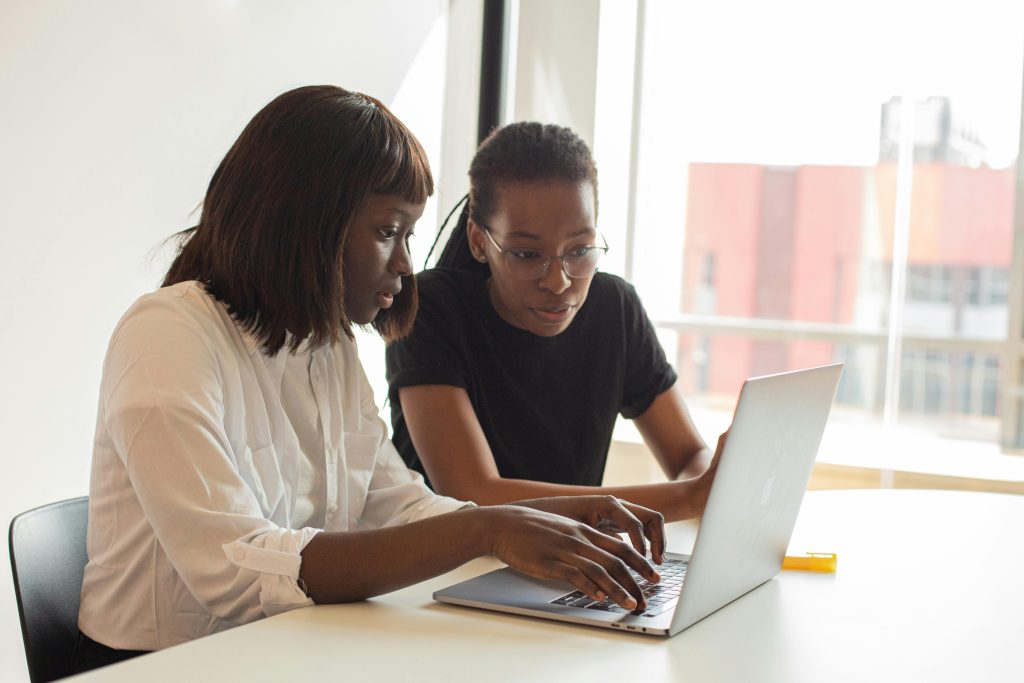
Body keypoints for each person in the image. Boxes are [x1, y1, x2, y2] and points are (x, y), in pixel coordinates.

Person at [75, 87, 669, 674]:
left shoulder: (325, 344)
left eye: (409, 236)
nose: (406, 264)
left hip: (288, 652)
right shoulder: (167, 334)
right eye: (389, 231)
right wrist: (487, 528)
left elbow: (397, 505)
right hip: (162, 667)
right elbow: (236, 574)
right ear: (305, 222)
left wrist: (549, 520)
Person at [386, 122, 725, 522]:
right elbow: (473, 493)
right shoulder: (430, 308)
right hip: (450, 556)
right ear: (479, 242)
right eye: (527, 254)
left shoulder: (615, 309)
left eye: (580, 250)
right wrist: (688, 498)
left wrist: (708, 485)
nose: (558, 282)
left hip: (572, 556)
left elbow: (689, 455)